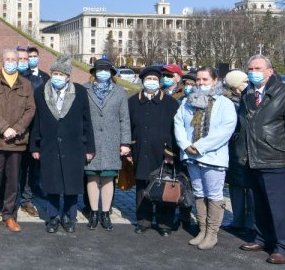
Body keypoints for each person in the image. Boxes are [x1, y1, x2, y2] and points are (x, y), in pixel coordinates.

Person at [232, 55, 285, 265]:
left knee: (279, 206)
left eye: (258, 68)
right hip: (251, 157)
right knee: (258, 203)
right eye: (250, 68)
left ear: (270, 71)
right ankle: (262, 238)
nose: (253, 71)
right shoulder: (248, 92)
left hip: (275, 156)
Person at [174, 67, 237, 250]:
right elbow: (178, 123)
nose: (201, 83)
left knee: (214, 194)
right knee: (199, 193)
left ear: (215, 80)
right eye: (199, 80)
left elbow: (225, 130)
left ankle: (212, 233)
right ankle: (202, 229)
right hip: (191, 155)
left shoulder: (225, 103)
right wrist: (185, 144)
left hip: (212, 156)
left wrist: (200, 146)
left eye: (205, 79)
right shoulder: (188, 101)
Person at [29, 55, 94, 233]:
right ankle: (53, 217)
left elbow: (87, 120)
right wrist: (34, 146)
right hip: (49, 145)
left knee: (72, 185)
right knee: (52, 184)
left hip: (74, 146)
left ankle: (69, 217)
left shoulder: (79, 92)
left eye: (61, 73)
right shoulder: (41, 92)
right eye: (54, 73)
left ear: (68, 76)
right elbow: (36, 121)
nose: (57, 76)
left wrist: (90, 147)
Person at [0, 48, 36, 233]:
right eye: (8, 59)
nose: (12, 62)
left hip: (16, 141)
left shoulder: (26, 84)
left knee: (13, 181)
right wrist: (4, 128)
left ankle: (9, 215)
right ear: (2, 60)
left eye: (15, 59)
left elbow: (30, 110)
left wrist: (17, 129)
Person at [129, 65, 179, 235]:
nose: (151, 82)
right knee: (142, 186)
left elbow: (176, 129)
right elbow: (128, 125)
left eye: (155, 80)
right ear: (143, 81)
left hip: (163, 152)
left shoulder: (170, 103)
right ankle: (143, 220)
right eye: (148, 79)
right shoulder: (133, 101)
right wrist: (129, 147)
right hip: (140, 149)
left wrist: (171, 152)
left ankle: (165, 223)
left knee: (164, 185)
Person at [84, 57, 131, 230]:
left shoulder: (119, 91)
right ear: (94, 73)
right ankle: (94, 212)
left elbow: (124, 119)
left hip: (112, 140)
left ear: (111, 73)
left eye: (106, 70)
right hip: (92, 141)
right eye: (99, 70)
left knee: (108, 178)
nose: (102, 73)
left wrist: (125, 142)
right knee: (92, 176)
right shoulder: (85, 89)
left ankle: (105, 213)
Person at [18, 47, 49, 218]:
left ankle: (30, 196)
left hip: (35, 129)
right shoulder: (14, 77)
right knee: (20, 167)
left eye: (31, 57)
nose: (29, 60)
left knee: (33, 166)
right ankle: (22, 198)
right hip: (17, 130)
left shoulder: (42, 78)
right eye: (25, 57)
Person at [221, 69, 253, 234]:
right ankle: (238, 221)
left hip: (251, 150)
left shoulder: (252, 98)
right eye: (244, 81)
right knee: (236, 188)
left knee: (252, 189)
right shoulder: (228, 102)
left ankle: (251, 223)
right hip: (235, 150)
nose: (248, 84)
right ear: (235, 85)